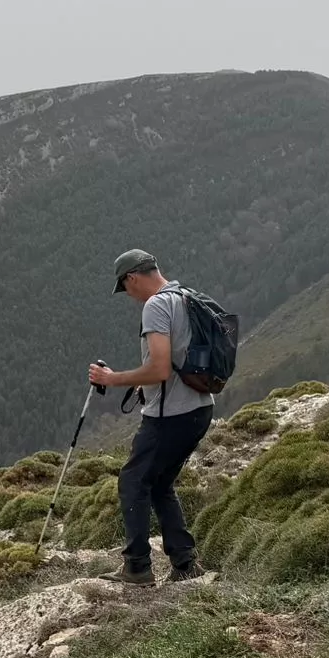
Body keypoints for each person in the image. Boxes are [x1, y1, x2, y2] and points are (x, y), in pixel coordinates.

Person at [88, 250, 213, 584]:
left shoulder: (156, 306)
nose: (129, 296)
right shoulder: (185, 297)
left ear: (132, 277)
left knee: (131, 482)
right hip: (200, 408)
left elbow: (158, 369)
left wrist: (111, 379)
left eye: (126, 288)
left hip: (170, 416)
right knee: (159, 483)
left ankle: (138, 567)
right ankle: (185, 564)